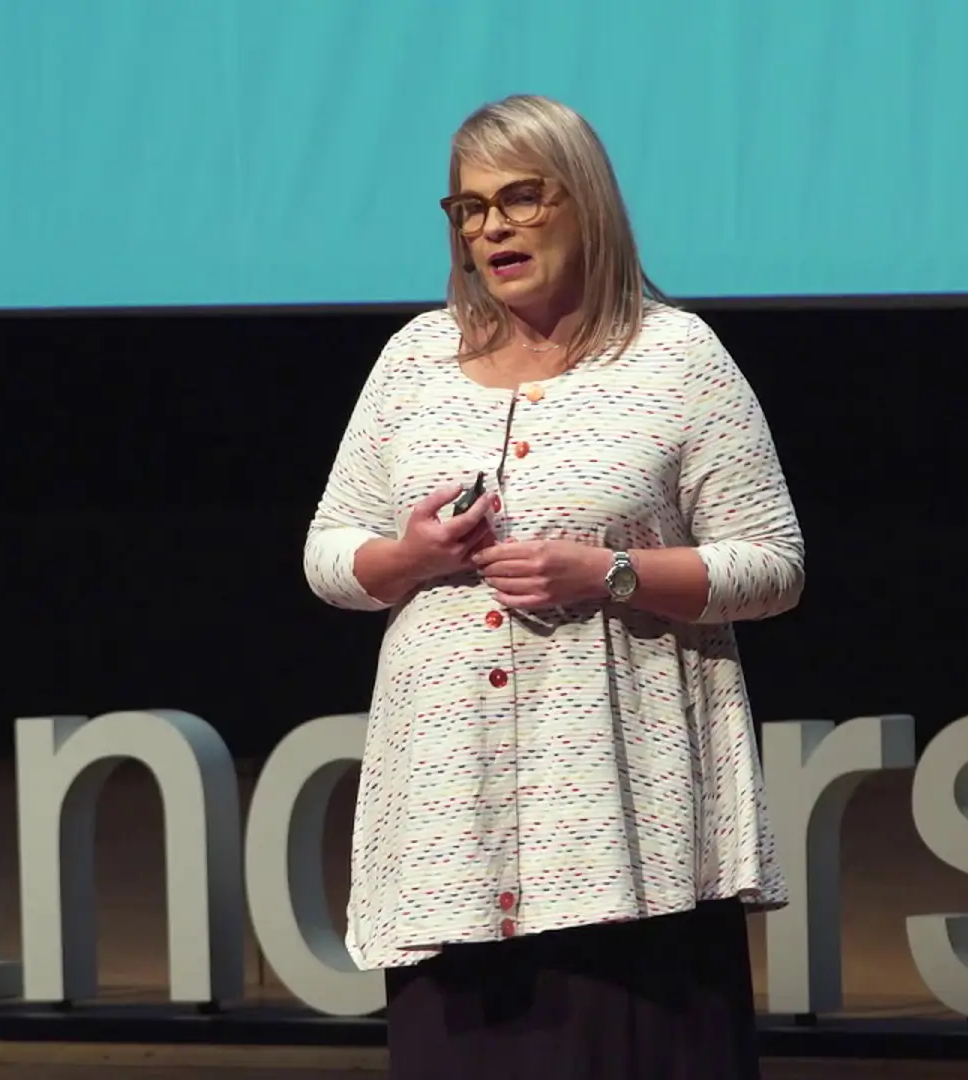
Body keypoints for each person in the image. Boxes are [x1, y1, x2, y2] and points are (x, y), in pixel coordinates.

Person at [301, 94, 805, 1080]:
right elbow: (330, 552)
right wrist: (409, 558)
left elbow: (773, 565)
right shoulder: (415, 360)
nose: (491, 228)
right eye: (469, 208)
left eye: (520, 199)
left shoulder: (676, 358)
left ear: (586, 204)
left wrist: (611, 573)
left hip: (624, 829)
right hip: (450, 823)